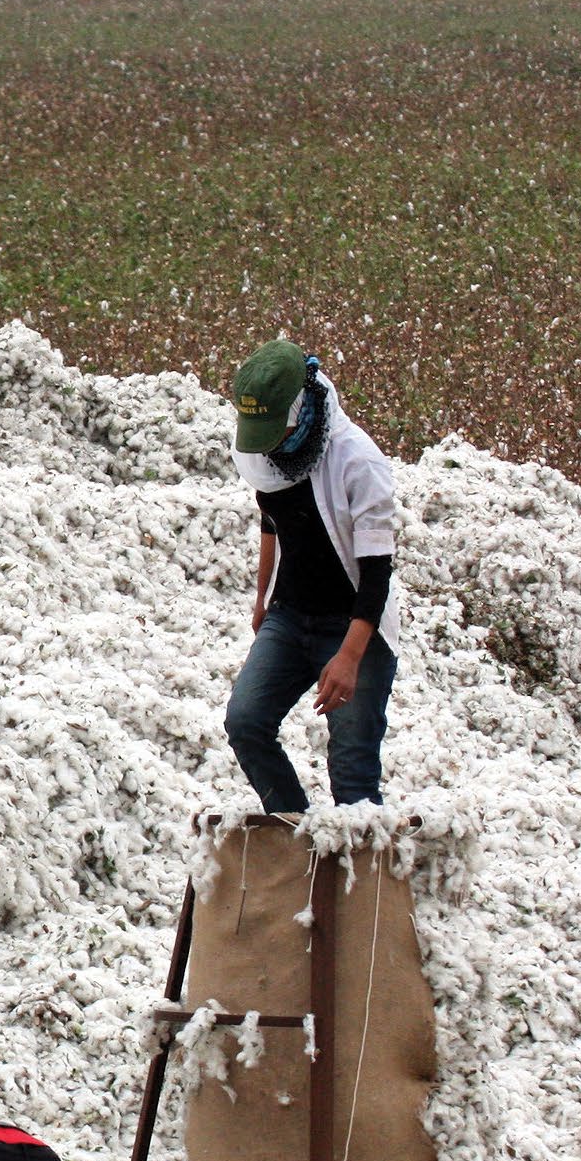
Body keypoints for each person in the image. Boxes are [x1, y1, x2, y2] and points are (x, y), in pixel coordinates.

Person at [221, 339, 404, 813]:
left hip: (353, 623)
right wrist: (262, 598)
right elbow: (272, 516)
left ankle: (358, 882)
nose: (271, 443)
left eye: (276, 429)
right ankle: (294, 833)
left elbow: (376, 573)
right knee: (246, 722)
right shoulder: (268, 453)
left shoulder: (357, 462)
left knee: (352, 773)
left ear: (301, 408)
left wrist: (349, 656)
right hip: (290, 614)